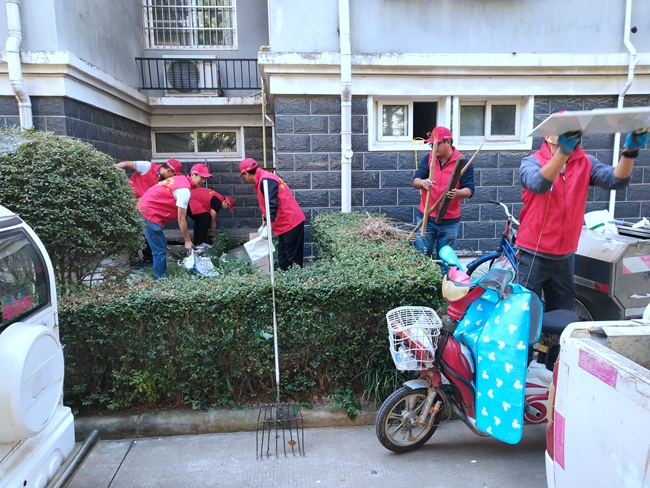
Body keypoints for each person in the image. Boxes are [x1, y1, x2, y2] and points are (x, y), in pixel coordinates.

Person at [516, 128, 648, 312]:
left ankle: (555, 333)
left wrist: (630, 152)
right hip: (533, 254)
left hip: (565, 256)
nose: (569, 135)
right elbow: (538, 184)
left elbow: (616, 180)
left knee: (563, 313)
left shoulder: (586, 162)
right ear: (547, 135)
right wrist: (563, 153)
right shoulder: (531, 162)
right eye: (562, 131)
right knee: (524, 311)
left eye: (573, 131)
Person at [137, 163, 213, 279]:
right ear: (193, 175)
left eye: (205, 178)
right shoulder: (184, 191)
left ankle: (161, 277)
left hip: (146, 210)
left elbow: (161, 196)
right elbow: (181, 219)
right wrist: (187, 241)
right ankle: (161, 280)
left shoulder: (181, 181)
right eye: (201, 177)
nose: (203, 181)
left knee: (161, 246)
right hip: (148, 213)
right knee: (159, 251)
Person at [412, 126, 475, 259]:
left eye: (436, 144)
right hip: (426, 216)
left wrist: (457, 193)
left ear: (448, 142)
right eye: (431, 145)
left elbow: (469, 190)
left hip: (450, 220)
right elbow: (416, 181)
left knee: (445, 260)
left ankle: (444, 274)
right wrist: (423, 182)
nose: (433, 148)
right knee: (422, 258)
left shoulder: (463, 162)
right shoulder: (428, 158)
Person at [239, 158, 305, 270]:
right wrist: (265, 221)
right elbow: (271, 203)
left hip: (290, 222)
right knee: (283, 258)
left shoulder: (266, 180)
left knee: (292, 260)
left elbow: (272, 204)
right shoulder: (264, 178)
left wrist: (268, 225)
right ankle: (286, 278)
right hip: (285, 223)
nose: (245, 179)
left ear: (246, 173)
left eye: (243, 176)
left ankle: (295, 279)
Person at [115, 158, 183, 198]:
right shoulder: (147, 166)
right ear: (169, 171)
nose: (174, 178)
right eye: (174, 175)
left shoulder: (164, 181)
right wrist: (110, 169)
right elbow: (125, 164)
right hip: (130, 198)